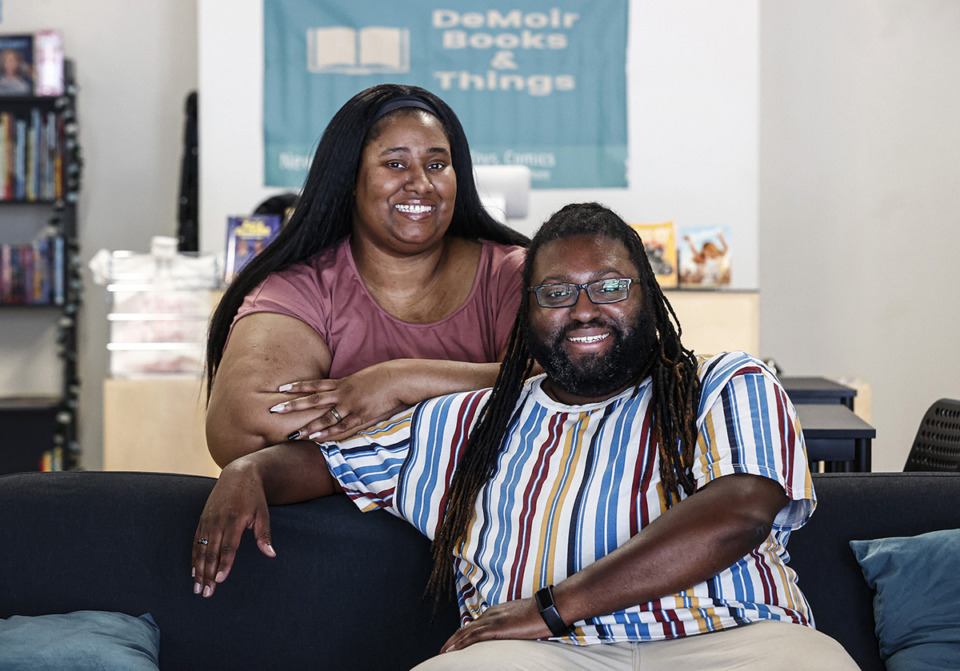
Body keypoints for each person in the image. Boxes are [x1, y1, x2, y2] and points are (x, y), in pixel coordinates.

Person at [192, 203, 857, 669]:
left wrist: (552, 606)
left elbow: (738, 513)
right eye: (556, 293)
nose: (584, 309)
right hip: (530, 657)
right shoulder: (466, 421)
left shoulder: (725, 381)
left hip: (733, 641)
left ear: (648, 295)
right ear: (526, 314)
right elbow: (316, 465)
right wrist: (248, 473)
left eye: (610, 286)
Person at [205, 84, 529, 467]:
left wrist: (398, 382)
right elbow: (245, 426)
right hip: (338, 524)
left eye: (437, 165)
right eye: (395, 164)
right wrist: (483, 396)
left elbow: (563, 391)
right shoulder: (299, 288)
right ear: (351, 180)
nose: (421, 184)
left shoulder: (514, 274)